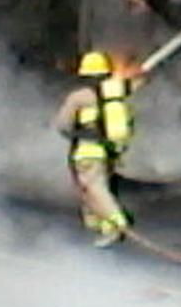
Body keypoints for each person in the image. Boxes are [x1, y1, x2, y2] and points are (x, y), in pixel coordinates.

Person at [54, 50, 138, 248]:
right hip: (108, 151)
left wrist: (75, 133)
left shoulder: (79, 97)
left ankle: (117, 223)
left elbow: (61, 125)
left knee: (94, 189)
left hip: (87, 151)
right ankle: (102, 225)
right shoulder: (113, 95)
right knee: (95, 188)